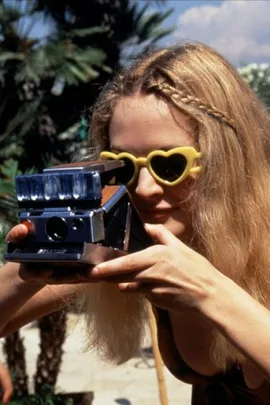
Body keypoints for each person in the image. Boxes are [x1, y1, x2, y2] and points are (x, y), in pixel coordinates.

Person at [1, 41, 270, 404]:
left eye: (170, 165)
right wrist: (38, 255)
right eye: (123, 166)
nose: (144, 189)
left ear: (229, 159)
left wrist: (207, 291)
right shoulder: (129, 240)